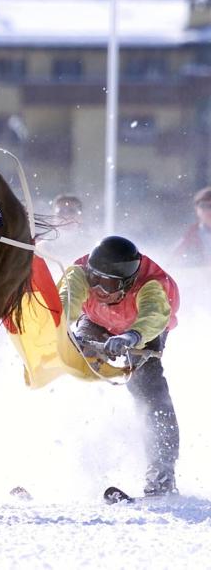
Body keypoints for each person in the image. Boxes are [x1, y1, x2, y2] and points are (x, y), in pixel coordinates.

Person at [58, 235, 180, 496]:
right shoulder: (80, 273)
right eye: (95, 280)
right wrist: (61, 329)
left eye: (108, 284)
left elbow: (154, 315)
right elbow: (66, 300)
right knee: (80, 357)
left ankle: (162, 473)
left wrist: (132, 336)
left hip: (142, 329)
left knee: (147, 388)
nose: (99, 290)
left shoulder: (152, 284)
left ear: (126, 283)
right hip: (97, 321)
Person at [171, 186, 211, 266]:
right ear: (196, 209)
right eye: (204, 206)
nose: (209, 211)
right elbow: (171, 262)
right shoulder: (189, 237)